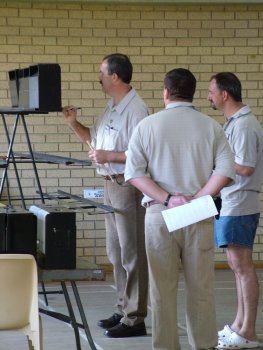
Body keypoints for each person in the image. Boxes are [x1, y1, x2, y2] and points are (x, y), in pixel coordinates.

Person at [124, 68, 235, 350]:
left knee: (162, 291)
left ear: (165, 93)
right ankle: (204, 345)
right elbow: (225, 172)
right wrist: (198, 199)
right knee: (201, 290)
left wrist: (168, 199)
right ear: (193, 93)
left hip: (160, 216)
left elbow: (135, 174)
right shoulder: (211, 127)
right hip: (199, 214)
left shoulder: (147, 126)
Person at [63, 53, 149, 338]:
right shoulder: (111, 107)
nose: (98, 76)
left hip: (128, 185)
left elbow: (142, 154)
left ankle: (135, 317)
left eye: (101, 72)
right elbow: (95, 140)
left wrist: (108, 155)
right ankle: (123, 307)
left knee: (132, 252)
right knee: (116, 252)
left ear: (114, 76)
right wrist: (74, 123)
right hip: (110, 184)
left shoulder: (136, 110)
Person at [208, 72, 263, 349]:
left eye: (211, 91)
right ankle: (240, 325)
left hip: (240, 202)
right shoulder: (235, 123)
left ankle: (249, 332)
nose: (209, 96)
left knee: (242, 267)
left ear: (224, 95)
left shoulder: (243, 126)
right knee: (236, 266)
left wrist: (215, 166)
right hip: (232, 201)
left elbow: (246, 166)